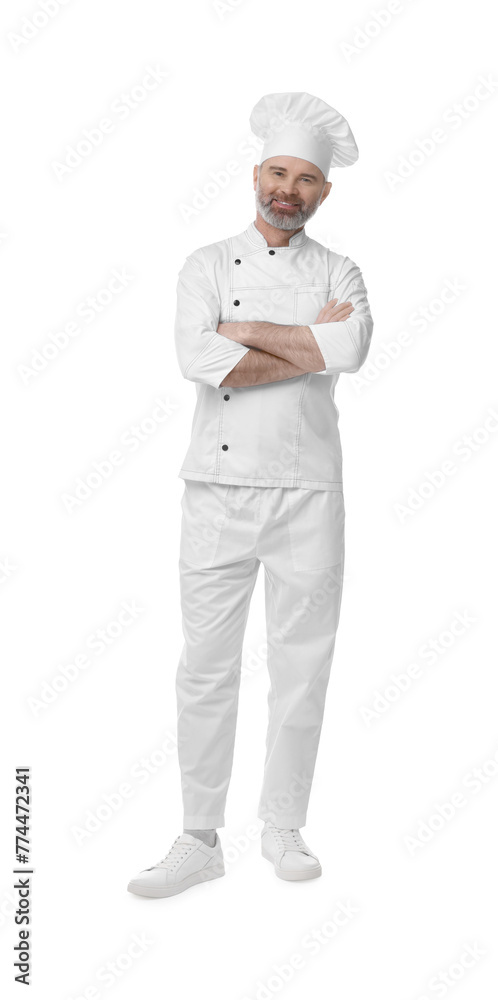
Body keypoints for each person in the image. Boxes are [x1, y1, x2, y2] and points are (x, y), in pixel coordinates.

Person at [128, 91, 374, 898]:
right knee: (205, 667)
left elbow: (354, 348)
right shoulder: (204, 264)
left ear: (324, 193)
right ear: (256, 174)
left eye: (307, 179)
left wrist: (243, 333)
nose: (289, 190)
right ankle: (200, 837)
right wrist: (310, 344)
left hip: (308, 490)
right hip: (216, 492)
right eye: (278, 172)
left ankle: (282, 824)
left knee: (303, 666)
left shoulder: (341, 270)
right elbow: (198, 360)